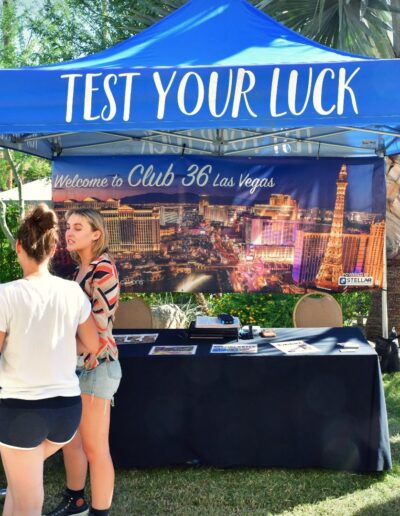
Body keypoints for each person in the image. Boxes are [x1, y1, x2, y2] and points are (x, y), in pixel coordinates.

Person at [0, 204, 98, 515]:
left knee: (27, 500)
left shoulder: (5, 294)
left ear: (18, 246)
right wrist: (61, 346)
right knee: (19, 487)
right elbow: (92, 344)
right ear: (54, 248)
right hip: (66, 413)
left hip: (21, 411)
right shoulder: (72, 292)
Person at [46, 208, 121, 516]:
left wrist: (61, 348)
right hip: (76, 366)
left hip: (97, 367)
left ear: (96, 234)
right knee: (71, 441)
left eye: (78, 227)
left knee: (95, 448)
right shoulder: (79, 270)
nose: (69, 232)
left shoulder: (103, 269)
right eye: (68, 226)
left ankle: (100, 511)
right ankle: (75, 500)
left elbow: (100, 329)